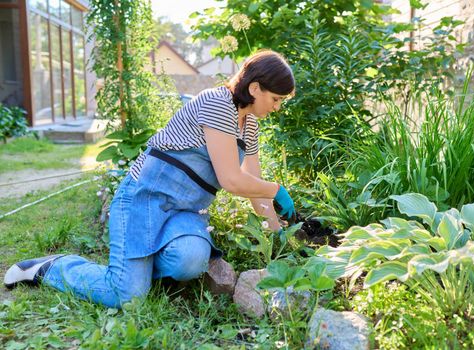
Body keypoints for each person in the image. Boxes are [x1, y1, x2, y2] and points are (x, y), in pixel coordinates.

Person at [4, 50, 296, 308]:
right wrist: (278, 189)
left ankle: (135, 268)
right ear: (255, 87)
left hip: (185, 212)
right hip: (143, 199)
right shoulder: (218, 103)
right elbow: (233, 180)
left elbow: (255, 188)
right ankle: (53, 267)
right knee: (127, 296)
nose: (277, 107)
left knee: (190, 261)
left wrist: (279, 234)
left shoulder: (250, 126)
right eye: (276, 99)